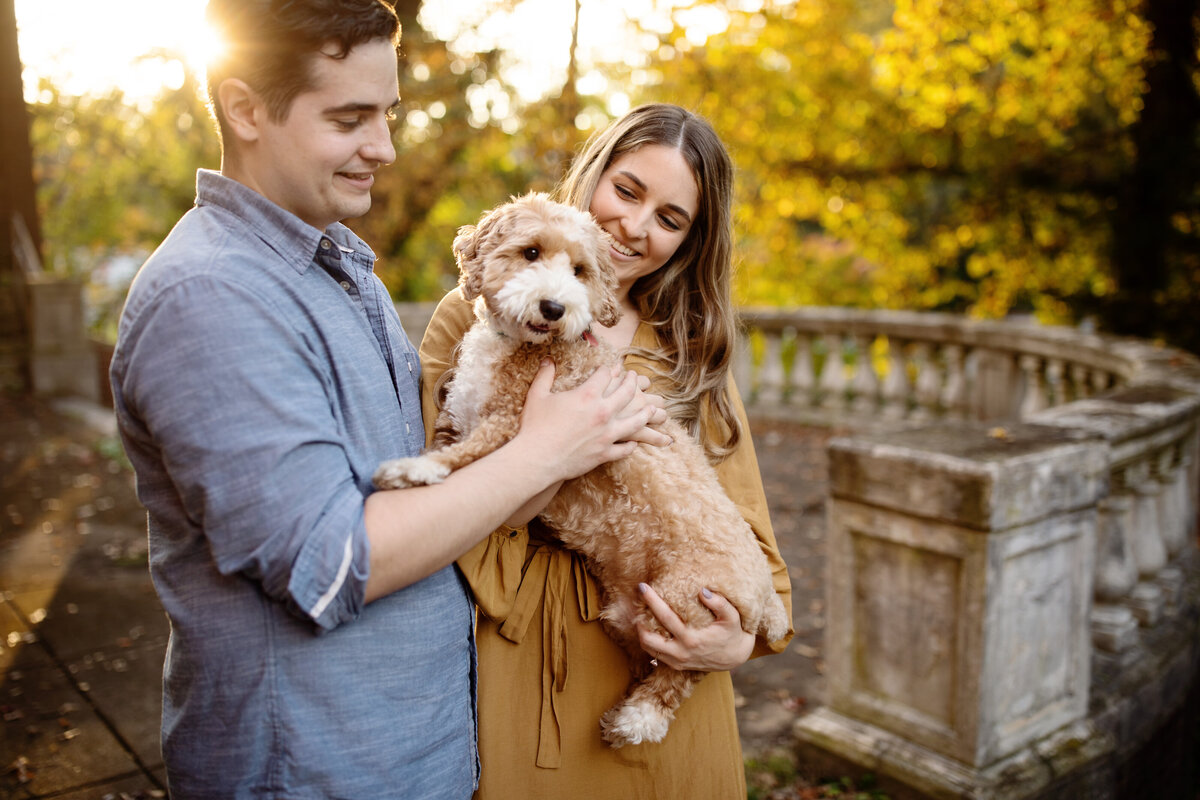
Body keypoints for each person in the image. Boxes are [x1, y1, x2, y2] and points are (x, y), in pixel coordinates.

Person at [107, 2, 668, 797]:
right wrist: (548, 448)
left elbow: (447, 490)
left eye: (388, 114)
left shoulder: (337, 264)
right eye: (350, 118)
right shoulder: (211, 295)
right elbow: (333, 566)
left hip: (416, 753)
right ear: (244, 109)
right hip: (313, 769)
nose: (385, 147)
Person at [418, 103, 795, 798]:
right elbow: (435, 511)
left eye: (670, 218)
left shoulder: (689, 357)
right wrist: (551, 449)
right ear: (593, 173)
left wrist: (732, 643)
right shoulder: (476, 317)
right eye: (627, 190)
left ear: (688, 241)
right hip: (533, 655)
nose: (636, 225)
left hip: (674, 676)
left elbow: (756, 550)